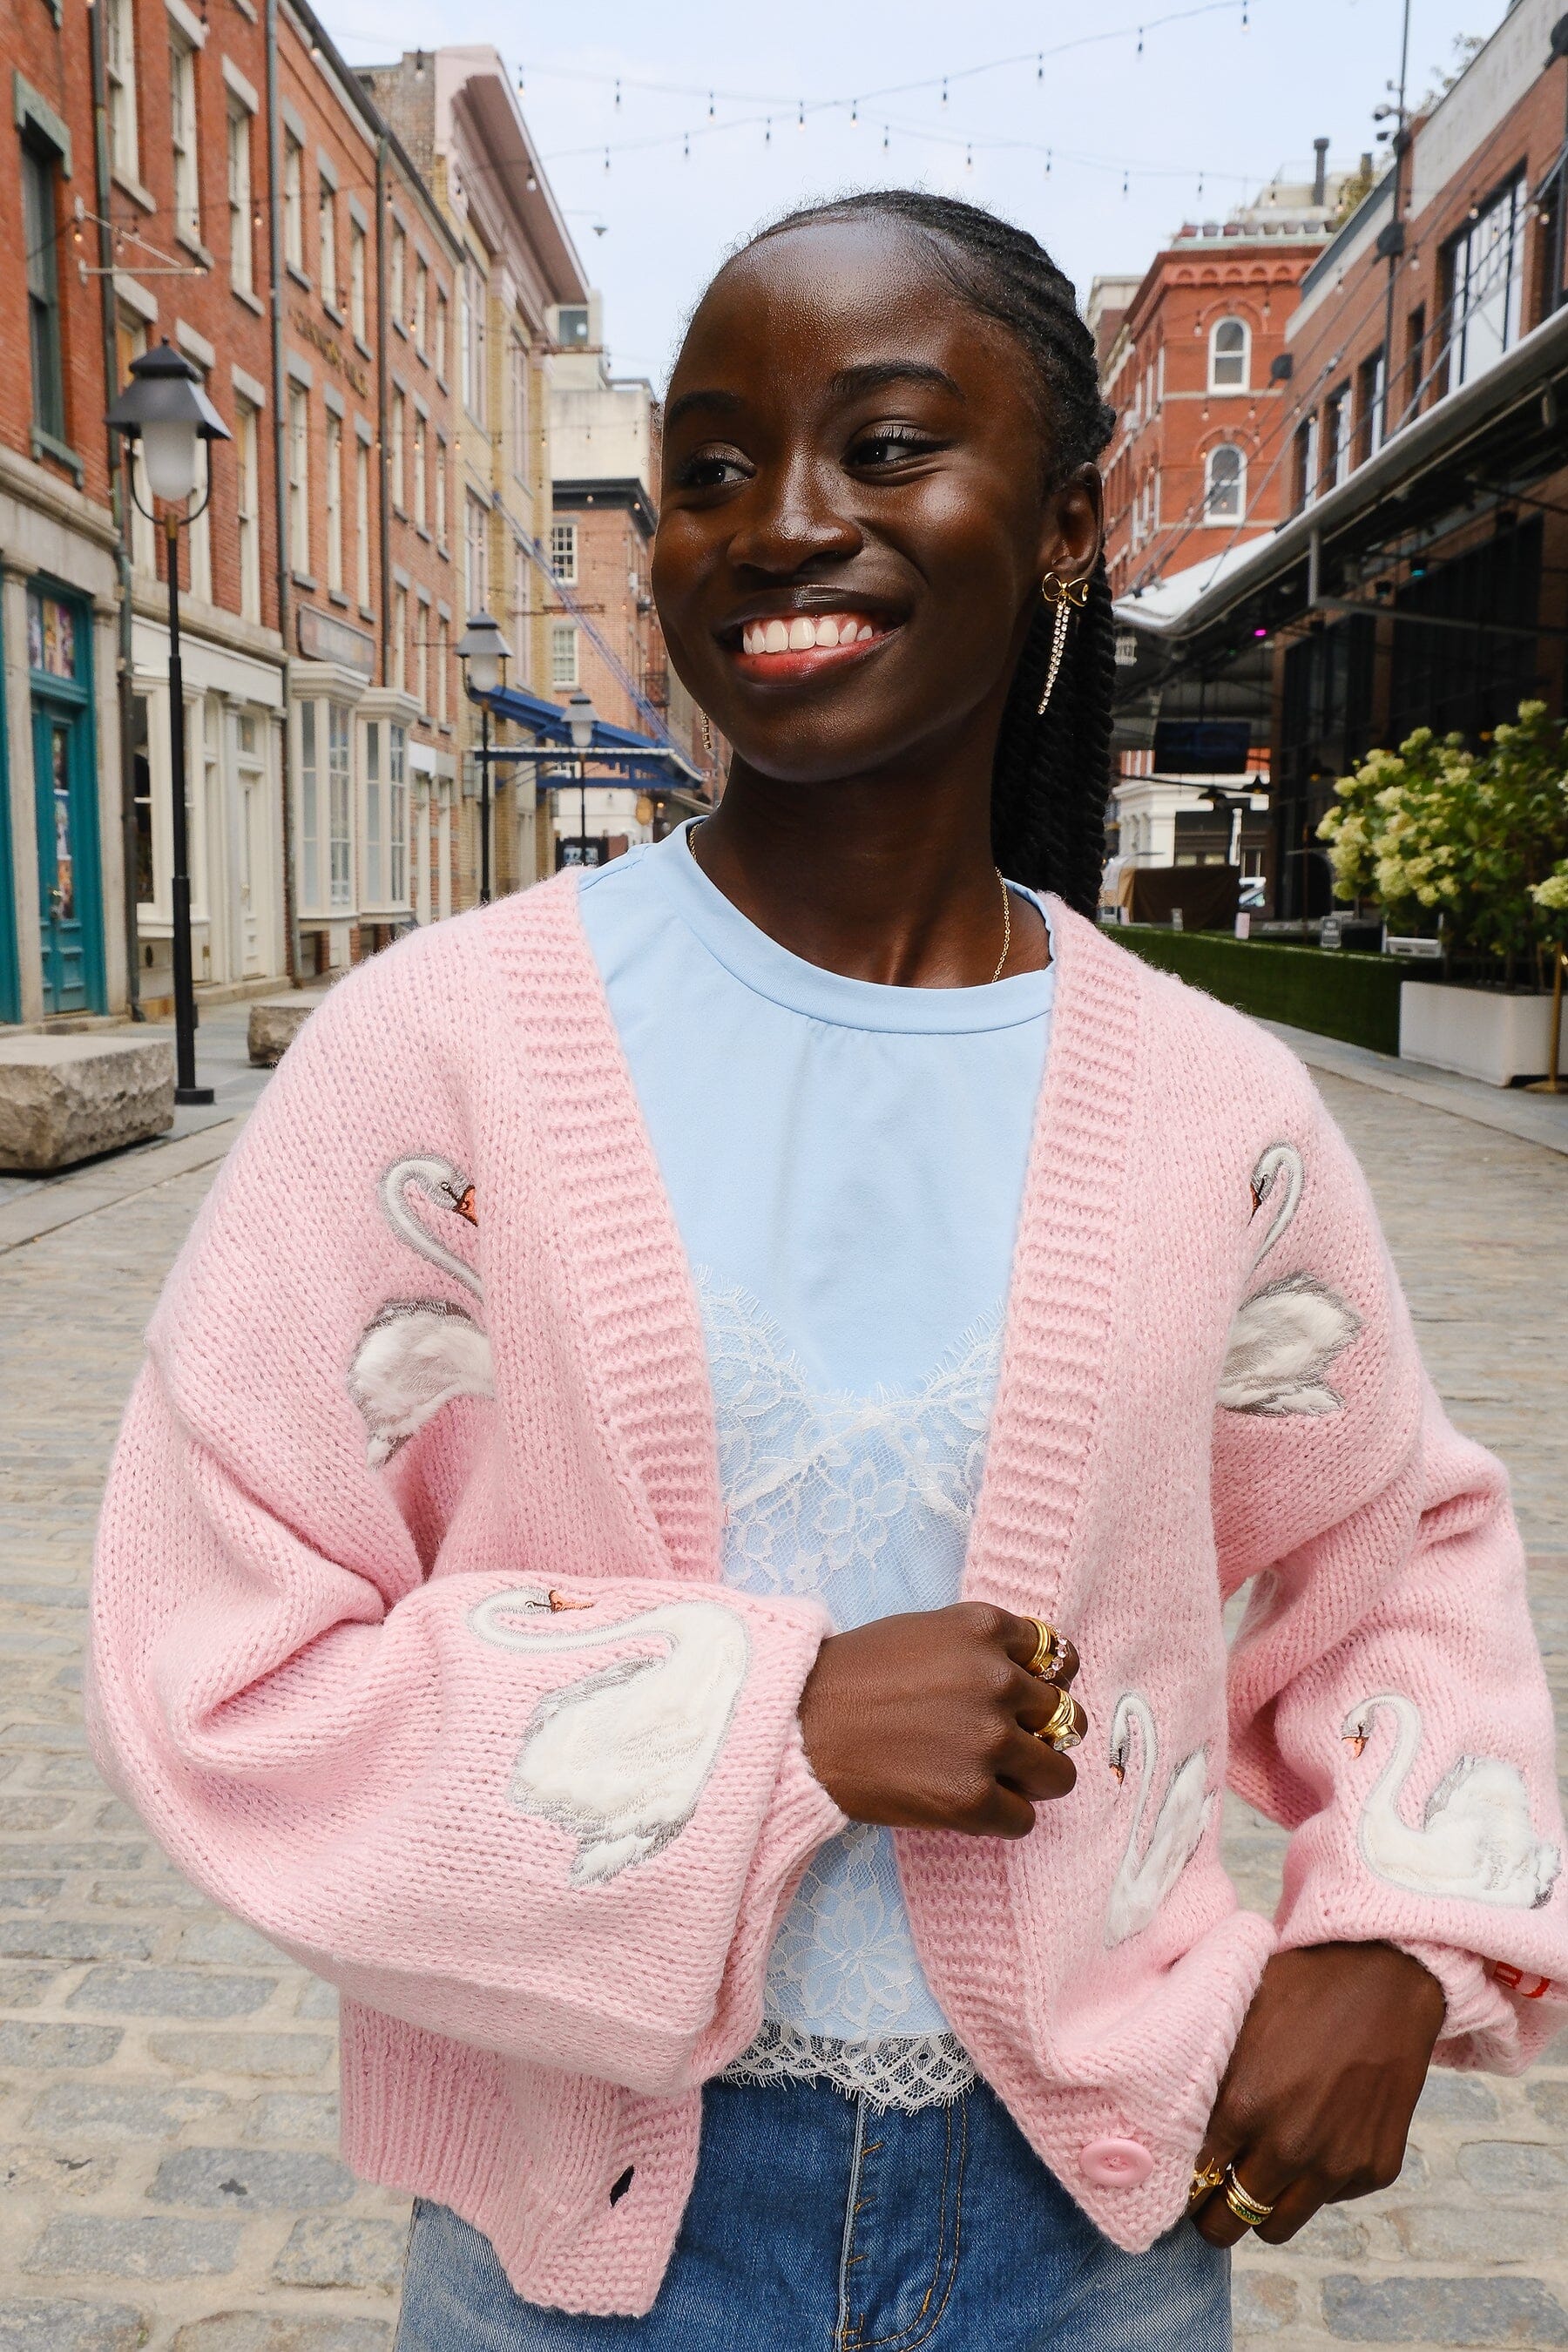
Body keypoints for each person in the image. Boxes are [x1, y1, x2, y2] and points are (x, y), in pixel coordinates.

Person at [87, 193, 1565, 2352]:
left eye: (882, 449)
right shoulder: (448, 1058)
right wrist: (769, 1720)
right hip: (585, 2247)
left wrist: (1395, 1932)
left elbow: (1395, 1548)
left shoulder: (1210, 1114)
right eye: (708, 470)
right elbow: (216, 1658)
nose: (779, 527)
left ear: (1066, 526)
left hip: (1089, 2238)